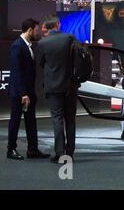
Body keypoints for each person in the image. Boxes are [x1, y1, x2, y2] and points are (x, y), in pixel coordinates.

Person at [38, 14, 79, 163]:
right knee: (70, 120)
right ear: (57, 24)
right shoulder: (69, 38)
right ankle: (70, 153)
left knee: (57, 120)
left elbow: (42, 63)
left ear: (47, 27)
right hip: (70, 86)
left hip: (53, 86)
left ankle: (59, 153)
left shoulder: (42, 43)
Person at [7, 19, 50, 160]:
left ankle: (32, 149)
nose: (37, 32)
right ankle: (11, 149)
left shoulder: (28, 46)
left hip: (29, 92)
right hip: (20, 93)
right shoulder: (17, 46)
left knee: (31, 121)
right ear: (30, 30)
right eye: (36, 30)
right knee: (15, 120)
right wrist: (23, 93)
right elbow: (16, 72)